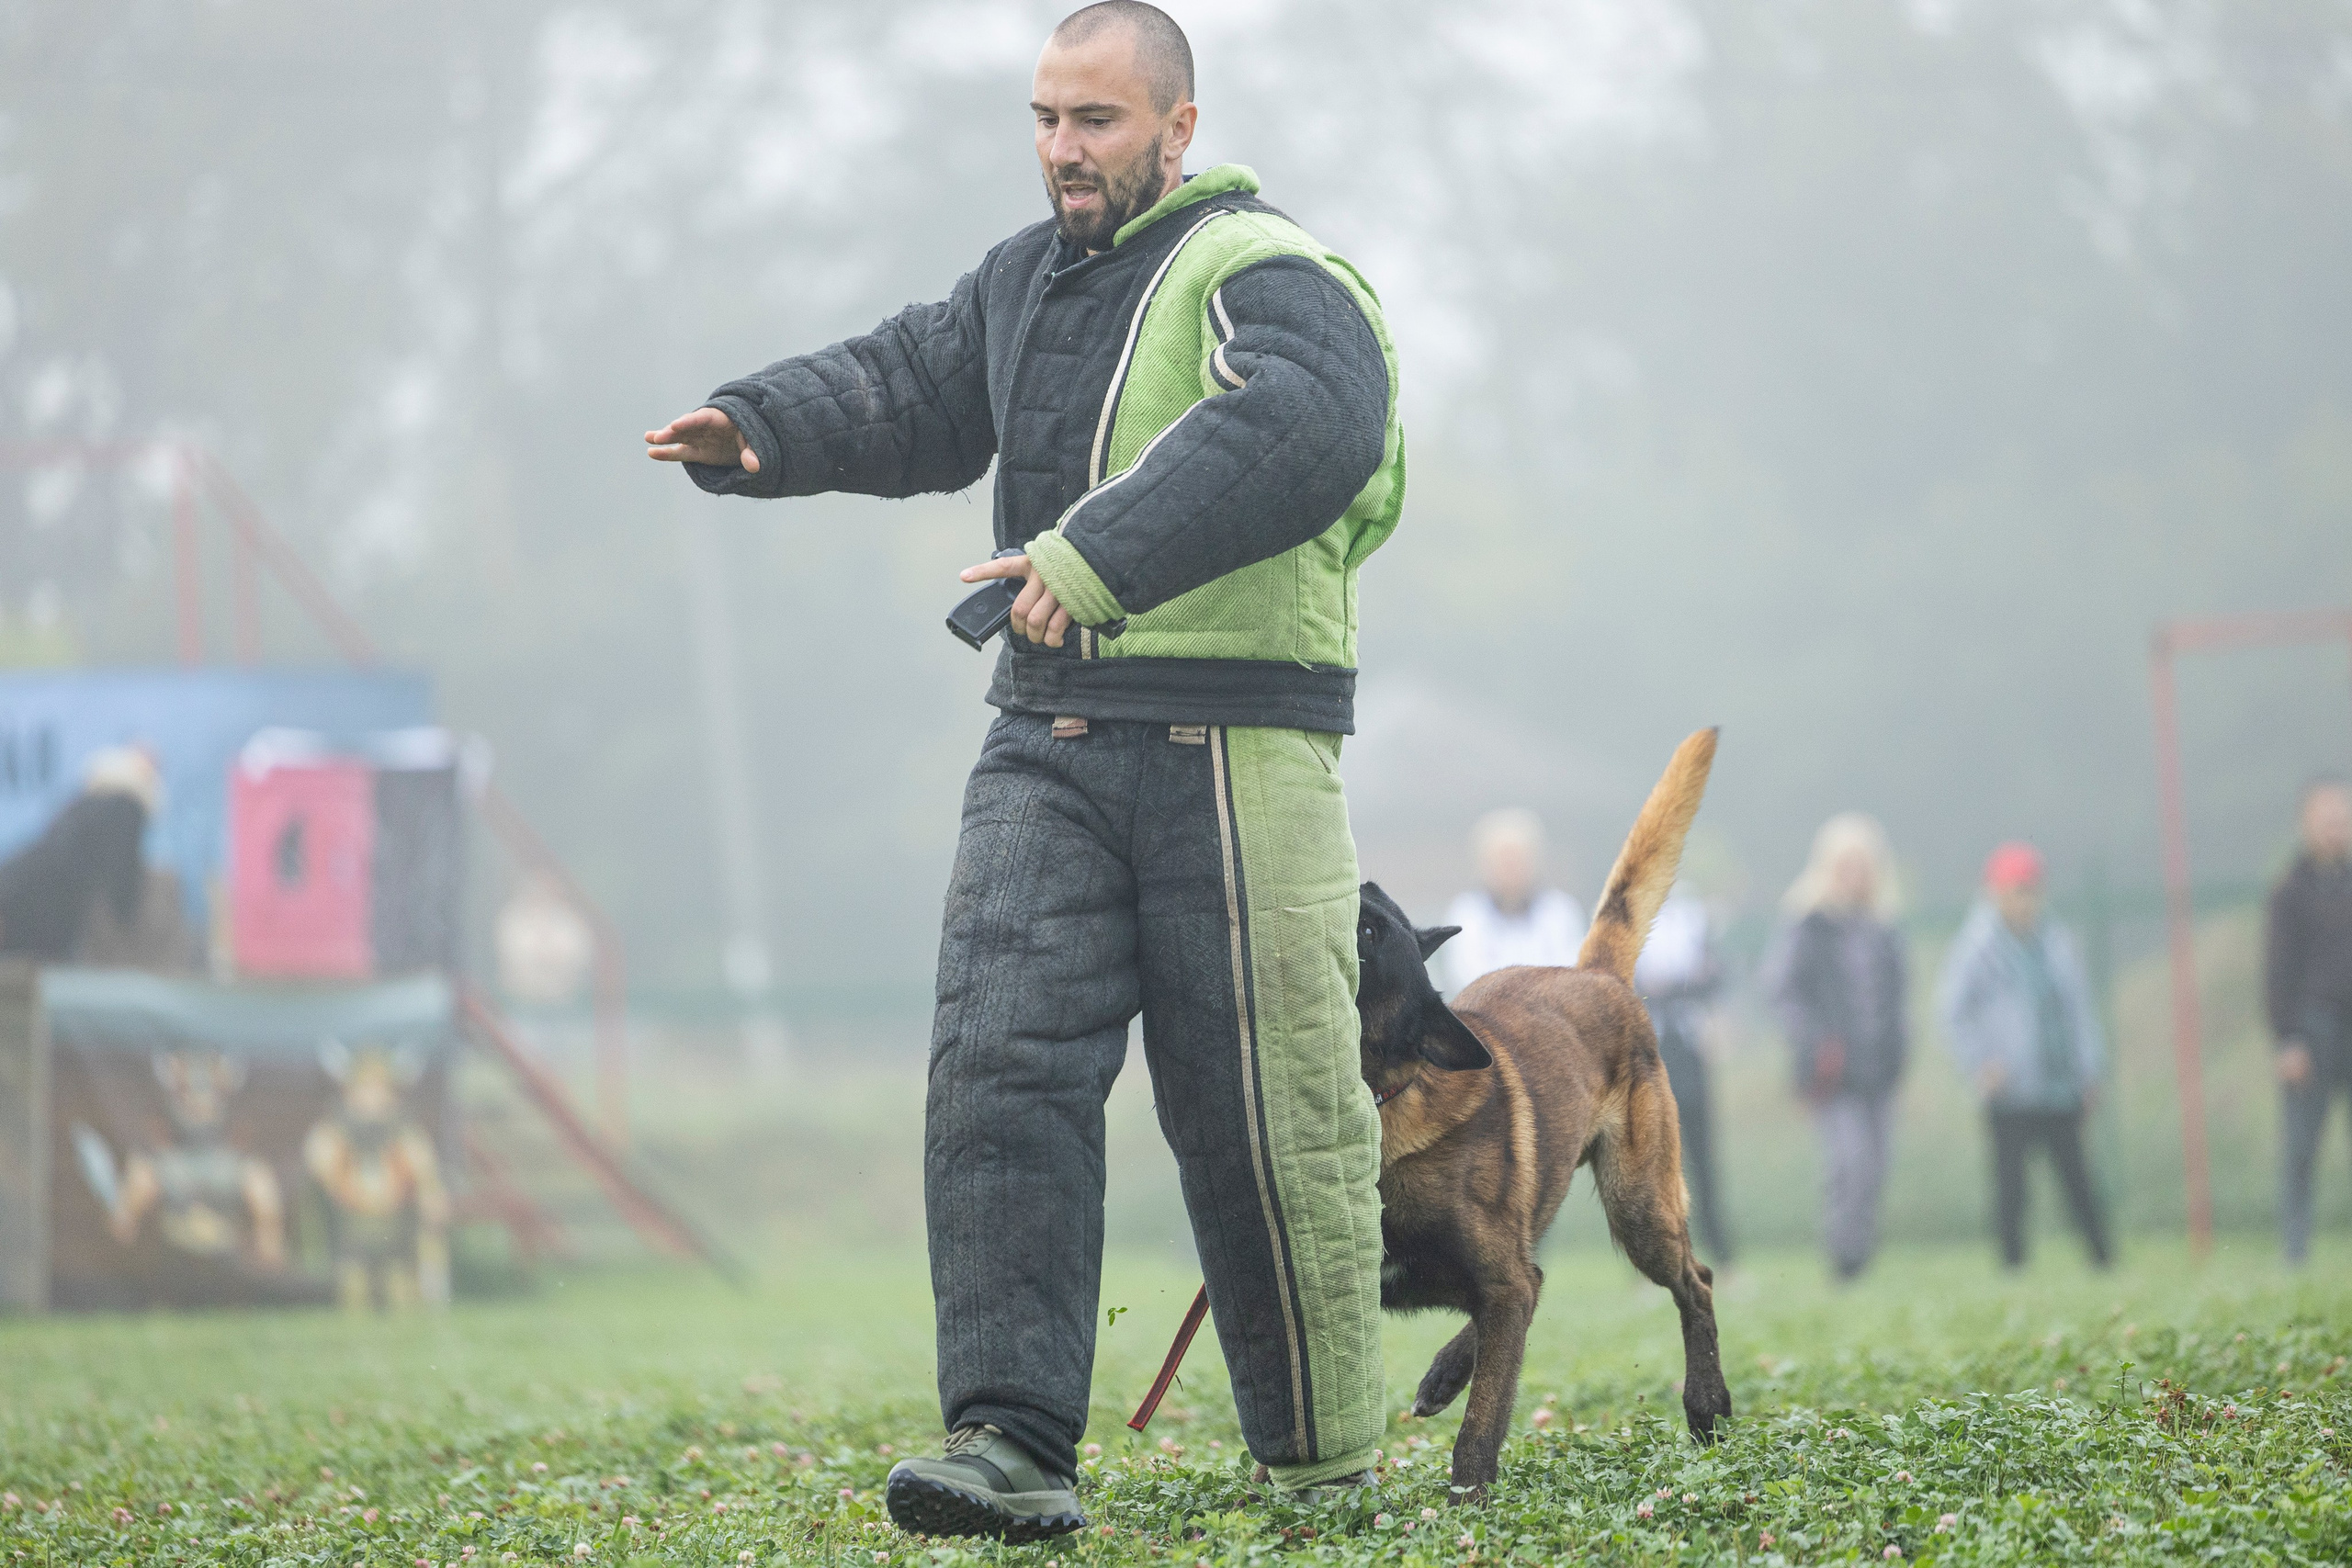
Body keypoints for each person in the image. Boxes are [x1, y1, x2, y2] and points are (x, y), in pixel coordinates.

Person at [645, 2, 1404, 1535]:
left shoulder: (1269, 271)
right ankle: (1008, 1439)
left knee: (1269, 1109)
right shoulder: (1022, 279)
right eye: (1047, 118)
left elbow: (1315, 425)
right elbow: (917, 383)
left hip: (1236, 743)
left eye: (1098, 121)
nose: (1064, 148)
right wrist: (764, 425)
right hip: (1045, 733)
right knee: (996, 1069)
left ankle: (1323, 1463)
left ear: (1178, 129)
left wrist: (1095, 553)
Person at [1938, 842, 2110, 1270]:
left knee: (2077, 1179)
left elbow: (2078, 1009)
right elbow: (1952, 1012)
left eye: (2030, 889)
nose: (2023, 899)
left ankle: (2103, 1258)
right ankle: (2012, 1265)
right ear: (1994, 893)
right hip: (2010, 1088)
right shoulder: (1977, 947)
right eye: (2013, 889)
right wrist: (1979, 1064)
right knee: (2011, 1185)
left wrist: (2089, 1069)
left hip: (2059, 1082)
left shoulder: (2055, 941)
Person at [1770, 812, 1906, 1281]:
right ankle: (1843, 1259)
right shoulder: (1807, 925)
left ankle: (1862, 1255)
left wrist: (1899, 1050)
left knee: (1876, 1167)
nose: (1855, 874)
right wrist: (1814, 1043)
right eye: (1845, 864)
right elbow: (1783, 991)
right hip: (1832, 1071)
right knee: (1849, 1162)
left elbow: (1897, 996)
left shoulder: (1884, 927)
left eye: (1863, 864)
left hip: (1879, 1069)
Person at [2266, 775, 2352, 1265]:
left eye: (2343, 818)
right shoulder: (2290, 892)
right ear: (2306, 824)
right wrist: (2288, 1039)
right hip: (2313, 1030)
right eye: (2327, 820)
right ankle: (2295, 1252)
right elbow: (2277, 973)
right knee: (2302, 1148)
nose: (2336, 829)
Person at [1634, 886, 1735, 1268]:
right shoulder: (1626, 915)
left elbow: (1714, 977)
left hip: (1690, 1047)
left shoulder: (1694, 918)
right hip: (1646, 1049)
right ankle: (1650, 1263)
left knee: (1702, 1159)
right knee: (1645, 1161)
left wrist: (1680, 986)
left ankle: (1722, 1257)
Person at [0, 746, 161, 961]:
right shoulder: (125, 808)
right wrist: (126, 914)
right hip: (39, 904)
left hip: (19, 887)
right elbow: (123, 869)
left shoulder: (84, 805)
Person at [1441, 807, 1586, 993]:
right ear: (1484, 864)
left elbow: (1569, 970)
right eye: (1503, 859)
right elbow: (1467, 974)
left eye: (1518, 859)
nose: (1511, 868)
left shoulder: (1561, 911)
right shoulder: (1466, 913)